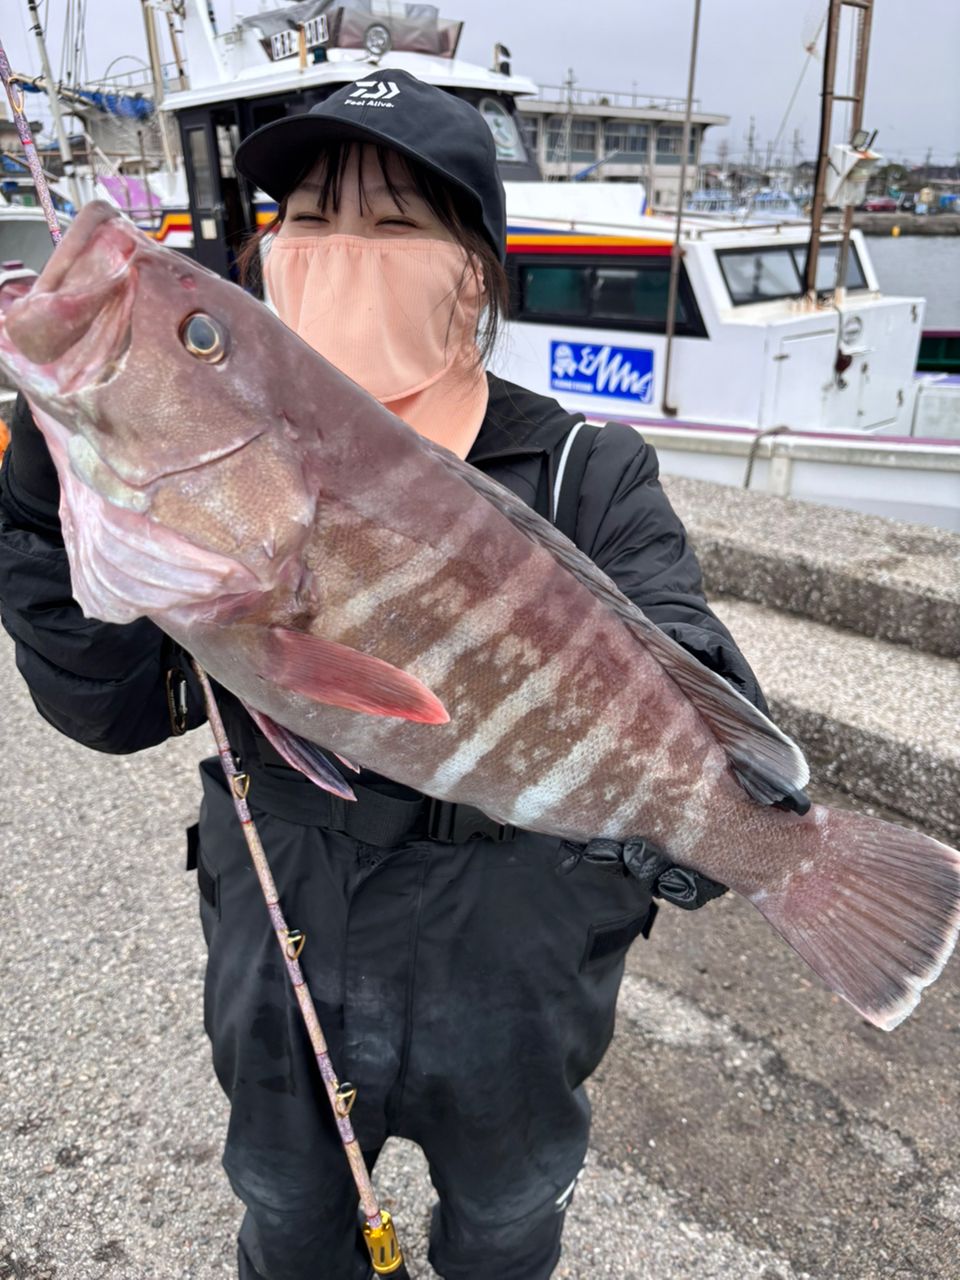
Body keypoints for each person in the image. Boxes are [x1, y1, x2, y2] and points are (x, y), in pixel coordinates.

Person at [0, 71, 770, 1280]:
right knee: (287, 1217)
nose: (336, 247)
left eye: (396, 221)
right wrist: (47, 501)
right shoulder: (204, 478)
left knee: (508, 1225)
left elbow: (702, 688)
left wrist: (698, 816)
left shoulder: (587, 470)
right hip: (286, 939)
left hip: (519, 968)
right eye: (304, 215)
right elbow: (104, 701)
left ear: (474, 270)